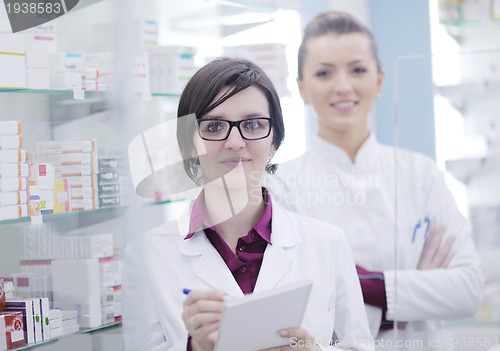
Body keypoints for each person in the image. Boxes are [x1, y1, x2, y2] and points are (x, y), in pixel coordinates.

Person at [265, 11, 484, 350]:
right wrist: (414, 290)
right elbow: (304, 309)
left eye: (358, 69)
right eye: (324, 73)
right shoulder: (280, 186)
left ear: (380, 81)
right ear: (302, 88)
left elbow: (467, 291)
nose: (343, 86)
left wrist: (358, 285)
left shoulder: (420, 173)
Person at [122, 58, 374, 351]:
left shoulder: (327, 243)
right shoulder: (147, 256)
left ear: (274, 141)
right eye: (214, 126)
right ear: (189, 145)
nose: (235, 141)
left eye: (253, 124)